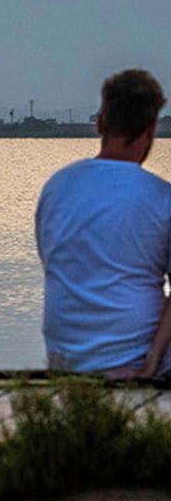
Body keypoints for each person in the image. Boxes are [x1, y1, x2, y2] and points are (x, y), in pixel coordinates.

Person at [36, 68, 171, 376]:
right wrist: (151, 362)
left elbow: (54, 263)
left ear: (100, 123)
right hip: (136, 362)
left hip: (65, 360)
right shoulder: (162, 198)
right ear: (150, 130)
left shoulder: (57, 186)